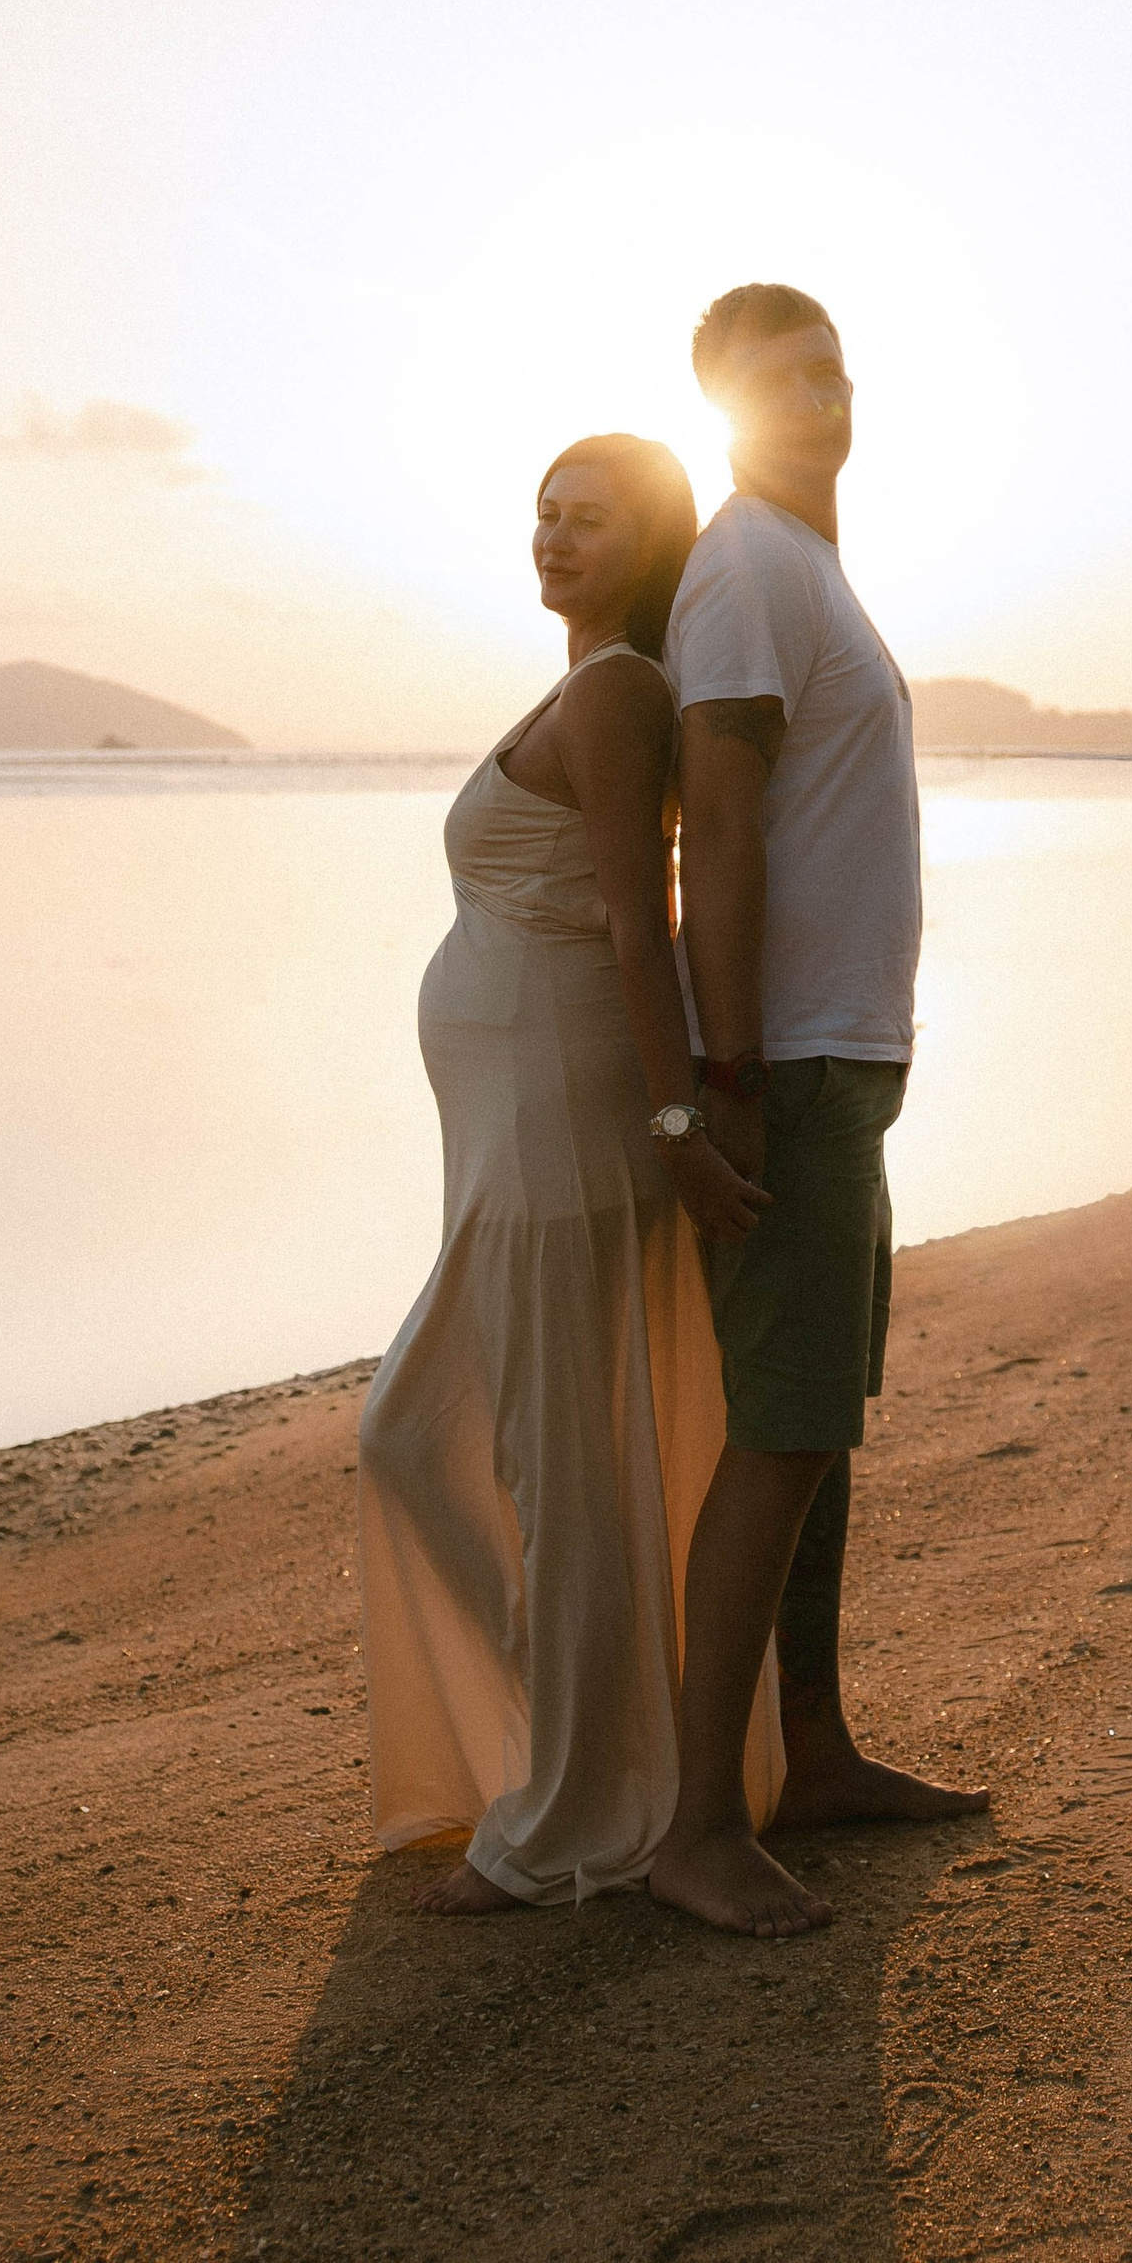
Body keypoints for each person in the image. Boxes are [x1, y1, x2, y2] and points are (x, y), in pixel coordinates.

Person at [356, 434, 781, 1910]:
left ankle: (571, 1813)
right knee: (452, 1442)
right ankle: (586, 1742)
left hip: (556, 1115)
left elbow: (632, 918)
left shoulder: (613, 694)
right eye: (542, 512)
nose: (552, 536)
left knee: (546, 1473)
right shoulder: (592, 677)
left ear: (645, 543)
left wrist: (678, 1131)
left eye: (587, 520)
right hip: (511, 1128)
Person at [647, 285, 989, 1940]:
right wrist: (724, 1082)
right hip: (782, 1065)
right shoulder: (746, 570)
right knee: (780, 1432)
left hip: (843, 1056)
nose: (821, 394)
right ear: (725, 404)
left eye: (834, 367)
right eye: (782, 377)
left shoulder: (810, 569)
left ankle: (818, 1752)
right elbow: (714, 822)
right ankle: (700, 1824)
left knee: (821, 1430)